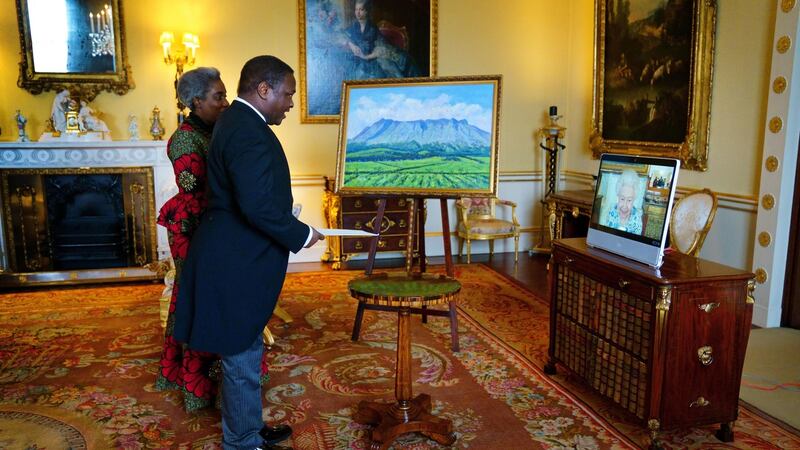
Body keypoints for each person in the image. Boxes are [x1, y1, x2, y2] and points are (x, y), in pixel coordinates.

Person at [173, 55, 324, 449]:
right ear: (264, 89)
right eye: (288, 94)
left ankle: (247, 429)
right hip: (234, 259)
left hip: (234, 253)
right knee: (241, 354)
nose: (290, 103)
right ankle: (241, 441)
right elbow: (255, 205)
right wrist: (302, 233)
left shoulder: (238, 122)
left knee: (247, 346)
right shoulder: (245, 129)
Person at [155, 67, 246, 413]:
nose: (225, 102)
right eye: (218, 97)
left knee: (221, 296)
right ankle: (198, 381)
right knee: (198, 295)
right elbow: (194, 187)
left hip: (215, 220)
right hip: (193, 226)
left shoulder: (216, 128)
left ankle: (226, 372)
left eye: (224, 95)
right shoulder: (183, 139)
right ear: (196, 102)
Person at [343, 0, 418, 79]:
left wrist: (366, 57)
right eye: (356, 9)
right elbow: (343, 36)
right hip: (357, 61)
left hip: (371, 60)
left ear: (367, 11)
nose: (358, 13)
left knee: (398, 64)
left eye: (361, 10)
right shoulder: (353, 27)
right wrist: (351, 45)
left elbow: (381, 47)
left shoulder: (372, 28)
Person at [604, 169, 644, 235]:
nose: (624, 205)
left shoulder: (637, 217)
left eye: (629, 200)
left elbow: (635, 242)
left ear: (634, 199)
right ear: (618, 196)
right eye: (622, 199)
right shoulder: (612, 212)